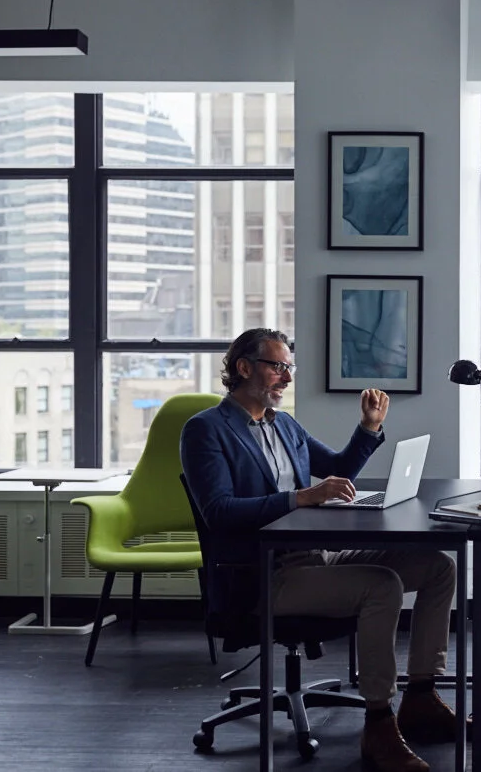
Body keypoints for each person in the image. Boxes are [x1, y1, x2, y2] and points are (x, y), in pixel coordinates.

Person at [181, 329, 457, 772]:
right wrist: (301, 498)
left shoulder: (283, 425)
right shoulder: (206, 430)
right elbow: (219, 511)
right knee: (381, 585)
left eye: (289, 368)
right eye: (278, 366)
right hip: (263, 574)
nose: (286, 378)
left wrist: (369, 427)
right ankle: (379, 724)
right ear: (244, 368)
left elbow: (337, 470)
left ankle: (421, 698)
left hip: (313, 557)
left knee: (436, 566)